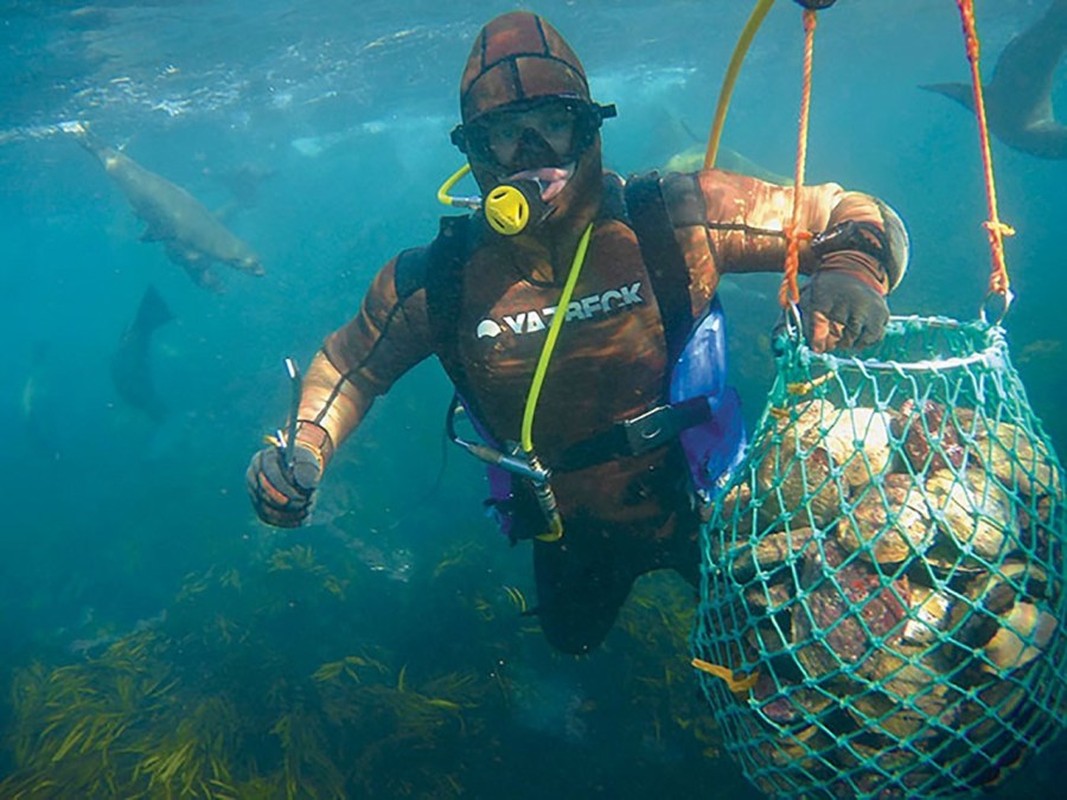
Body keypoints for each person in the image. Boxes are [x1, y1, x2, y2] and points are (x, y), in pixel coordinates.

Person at [247, 10, 909, 655]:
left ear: (588, 128)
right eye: (507, 136)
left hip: (704, 504)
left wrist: (852, 269)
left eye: (554, 125)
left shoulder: (677, 219)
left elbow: (846, 210)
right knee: (571, 643)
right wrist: (304, 448)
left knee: (772, 645)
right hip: (564, 527)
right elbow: (348, 368)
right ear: (476, 153)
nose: (533, 155)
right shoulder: (437, 281)